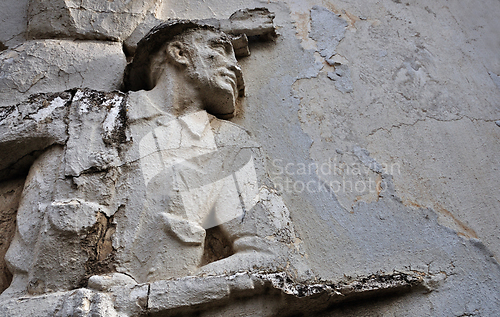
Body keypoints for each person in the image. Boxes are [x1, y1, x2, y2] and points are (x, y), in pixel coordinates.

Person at [0, 20, 303, 301]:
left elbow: (275, 256)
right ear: (178, 52)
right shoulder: (82, 114)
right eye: (219, 48)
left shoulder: (230, 145)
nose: (236, 68)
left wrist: (151, 296)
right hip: (33, 308)